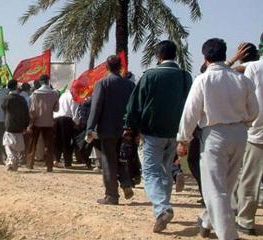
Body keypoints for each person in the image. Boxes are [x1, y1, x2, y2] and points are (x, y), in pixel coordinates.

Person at [177, 38, 258, 240]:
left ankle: (228, 236)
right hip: (240, 134)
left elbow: (190, 113)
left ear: (205, 58)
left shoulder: (203, 80)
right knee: (227, 186)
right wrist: (242, 123)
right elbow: (254, 111)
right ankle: (206, 222)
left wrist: (183, 139)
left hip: (214, 136)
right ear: (224, 54)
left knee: (216, 190)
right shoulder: (242, 80)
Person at [124, 40, 192, 232]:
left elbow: (135, 104)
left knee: (150, 171)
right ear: (175, 55)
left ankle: (162, 208)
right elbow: (191, 105)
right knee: (165, 170)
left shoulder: (151, 75)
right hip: (175, 132)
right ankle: (164, 206)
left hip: (152, 132)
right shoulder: (186, 77)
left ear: (158, 56)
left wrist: (130, 128)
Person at [87, 55, 135, 205]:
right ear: (121, 67)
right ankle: (126, 183)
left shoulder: (102, 83)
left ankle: (111, 195)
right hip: (125, 129)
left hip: (107, 129)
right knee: (120, 157)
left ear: (106, 67)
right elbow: (134, 108)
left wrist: (90, 127)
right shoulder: (130, 85)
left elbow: (96, 107)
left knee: (109, 160)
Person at [235, 34, 263, 236]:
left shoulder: (254, 68)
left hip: (258, 131)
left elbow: (244, 95)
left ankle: (245, 221)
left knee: (250, 179)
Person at [27, 74, 59, 172]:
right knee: (49, 145)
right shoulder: (54, 93)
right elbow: (56, 109)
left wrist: (30, 123)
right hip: (49, 122)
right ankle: (49, 166)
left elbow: (32, 110)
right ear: (48, 81)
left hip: (37, 122)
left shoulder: (35, 93)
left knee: (33, 144)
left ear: (40, 82)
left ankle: (30, 164)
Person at [2, 80, 29, 171]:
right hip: (20, 125)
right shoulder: (22, 99)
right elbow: (26, 113)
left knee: (7, 144)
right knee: (17, 146)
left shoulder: (6, 98)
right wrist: (25, 125)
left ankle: (11, 160)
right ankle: (11, 163)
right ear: (16, 87)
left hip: (9, 124)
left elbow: (3, 108)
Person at [53, 90, 79, 168]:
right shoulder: (74, 96)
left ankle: (56, 160)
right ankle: (67, 162)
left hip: (56, 118)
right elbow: (74, 110)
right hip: (66, 120)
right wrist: (76, 123)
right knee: (66, 142)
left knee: (57, 141)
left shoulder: (63, 95)